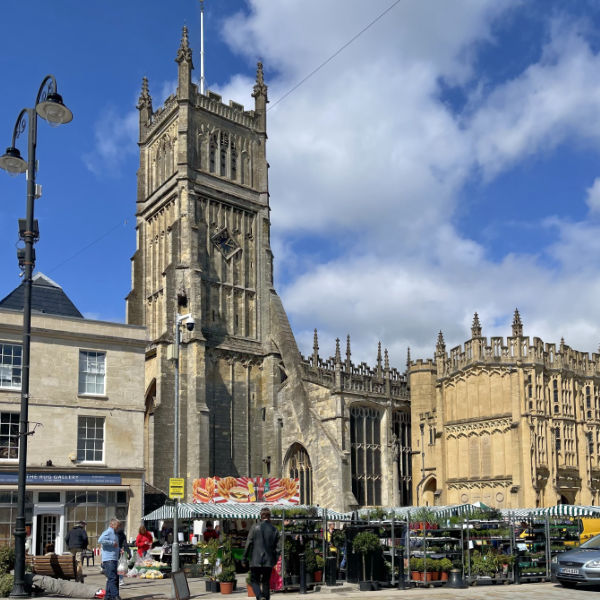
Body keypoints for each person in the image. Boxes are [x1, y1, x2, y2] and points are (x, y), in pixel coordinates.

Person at [243, 507, 280, 600]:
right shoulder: (274, 529)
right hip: (268, 560)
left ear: (261, 516)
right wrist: (274, 560)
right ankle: (264, 598)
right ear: (269, 517)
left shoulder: (254, 527)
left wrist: (244, 558)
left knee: (254, 580)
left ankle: (259, 597)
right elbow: (279, 548)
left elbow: (248, 543)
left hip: (255, 560)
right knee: (266, 582)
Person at [98, 517, 121, 600]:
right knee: (113, 578)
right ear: (112, 524)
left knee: (111, 578)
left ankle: (107, 596)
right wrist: (111, 543)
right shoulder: (108, 532)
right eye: (117, 525)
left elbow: (115, 545)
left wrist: (119, 549)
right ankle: (115, 595)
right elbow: (100, 540)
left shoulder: (114, 533)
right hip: (109, 559)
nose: (119, 527)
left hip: (114, 558)